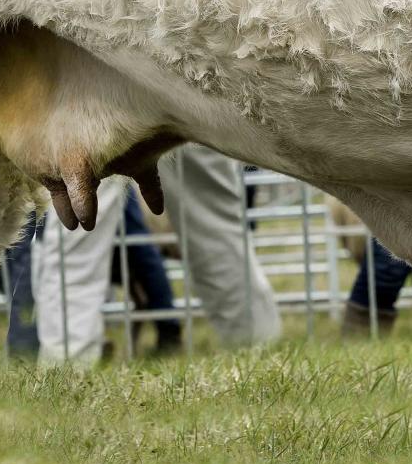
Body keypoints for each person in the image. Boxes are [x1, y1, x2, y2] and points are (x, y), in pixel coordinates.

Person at [32, 147, 282, 363]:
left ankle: (67, 361)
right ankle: (259, 347)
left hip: (96, 98)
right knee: (214, 222)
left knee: (78, 228)